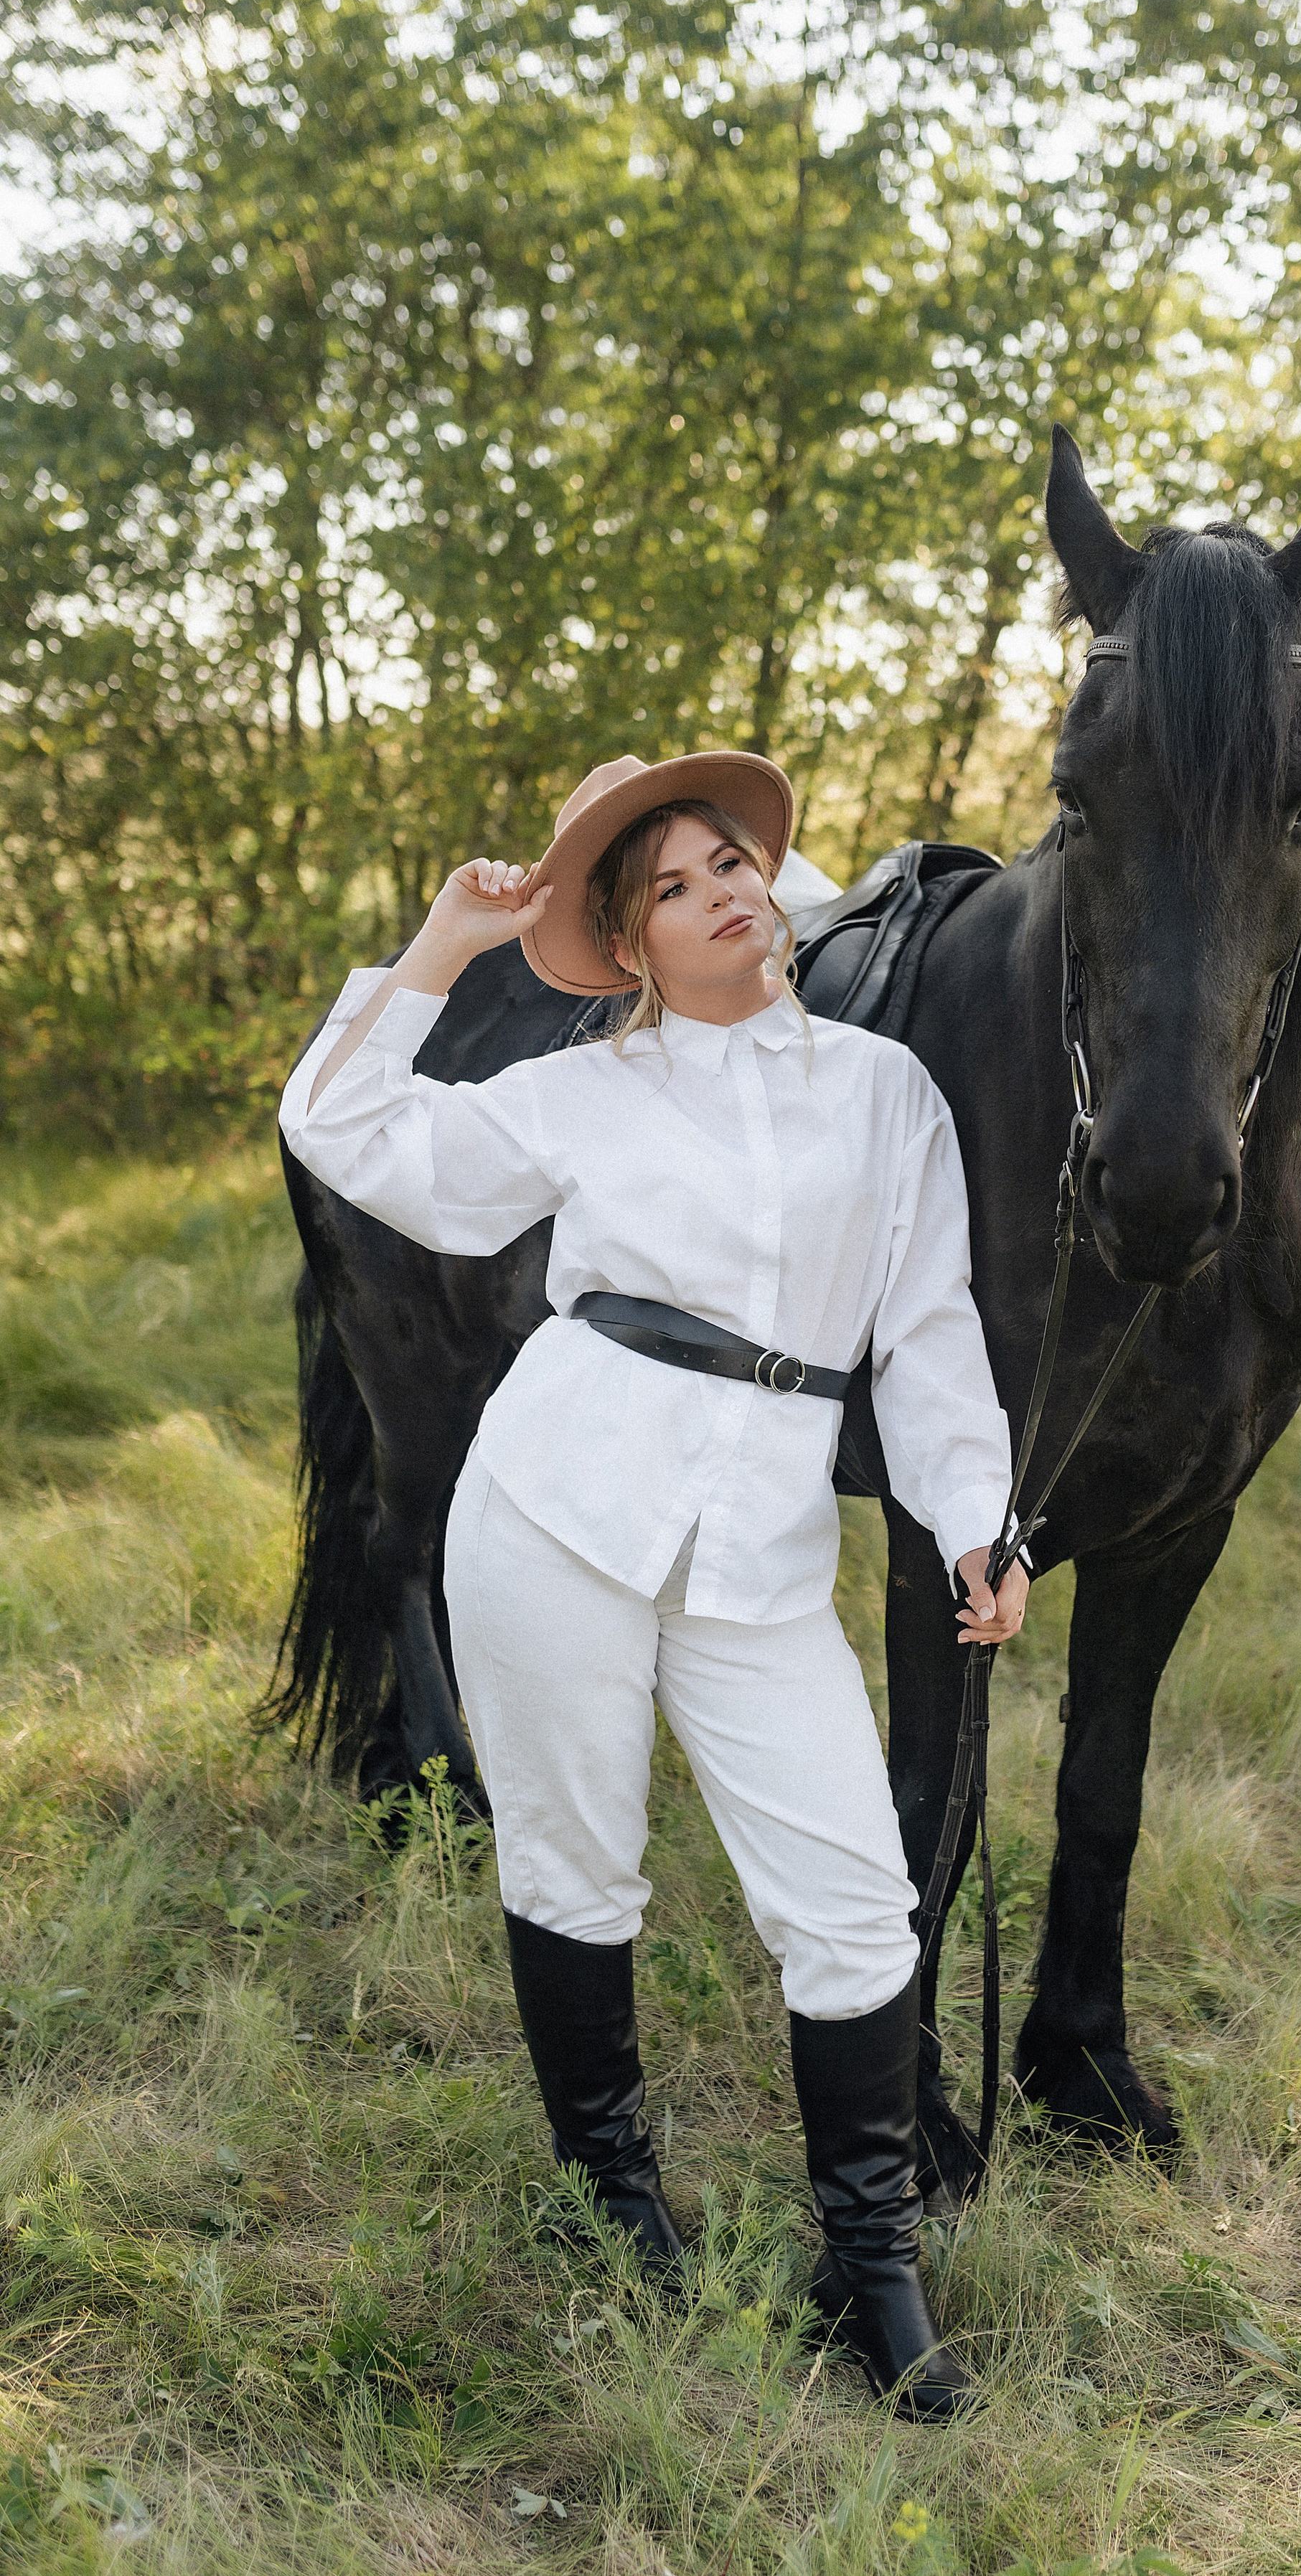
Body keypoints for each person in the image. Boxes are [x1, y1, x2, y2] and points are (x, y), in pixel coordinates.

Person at [279, 750, 1025, 2422]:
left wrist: (973, 1524)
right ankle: (613, 2195)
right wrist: (441, 945)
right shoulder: (582, 1091)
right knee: (574, 1859)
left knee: (853, 1902)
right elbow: (342, 1125)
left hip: (760, 1545)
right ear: (629, 943)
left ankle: (871, 2265)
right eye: (673, 887)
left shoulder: (886, 1094)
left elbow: (926, 1333)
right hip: (558, 1501)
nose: (720, 895)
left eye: (729, 863)